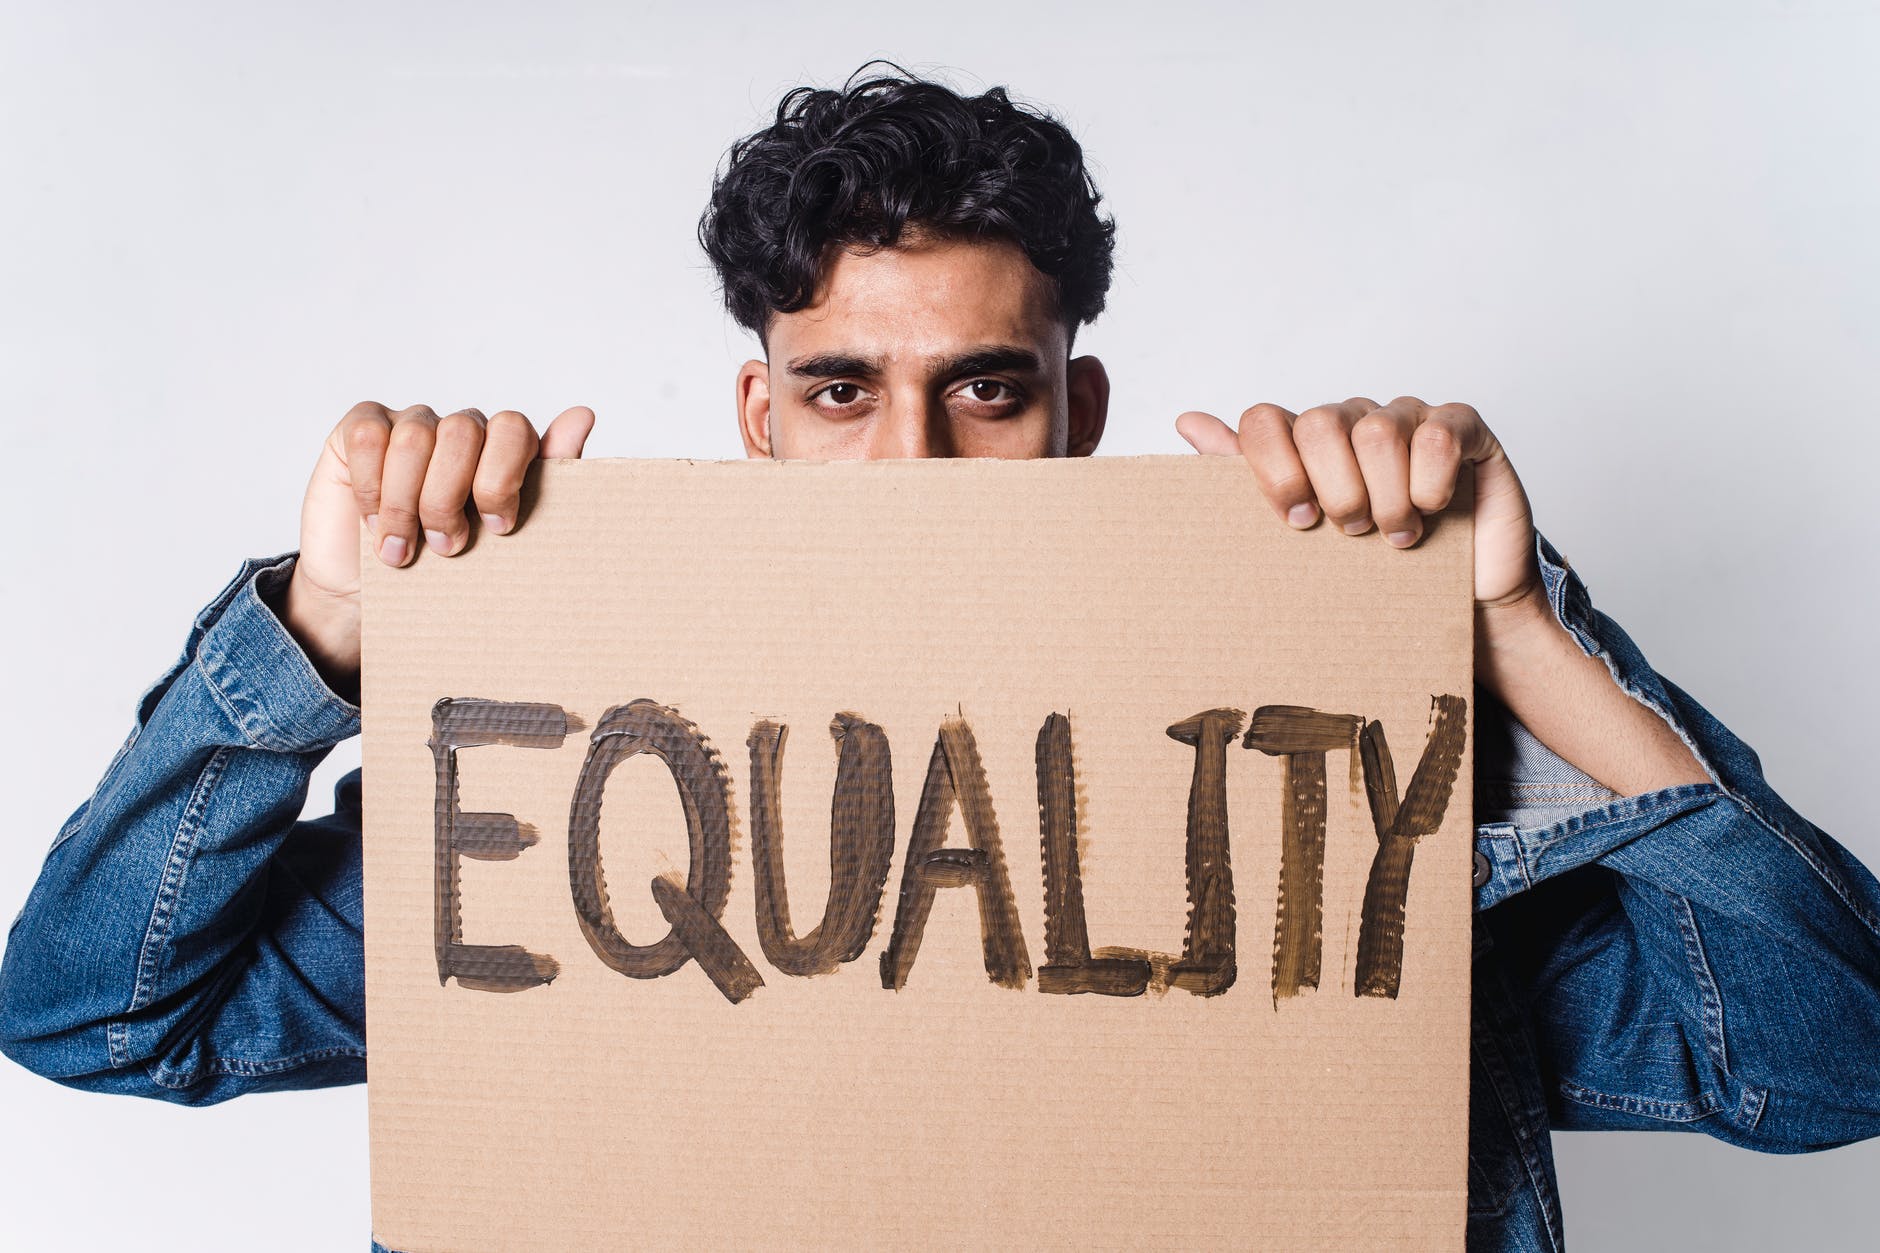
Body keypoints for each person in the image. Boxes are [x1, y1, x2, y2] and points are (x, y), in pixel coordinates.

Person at [2, 64, 1877, 1253]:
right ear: (759, 412)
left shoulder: (1322, 826)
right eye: (841, 388)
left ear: (1078, 407)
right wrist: (326, 626)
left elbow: (1831, 1064)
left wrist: (1510, 633)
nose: (909, 458)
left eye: (985, 385)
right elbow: (93, 1011)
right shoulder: (588, 831)